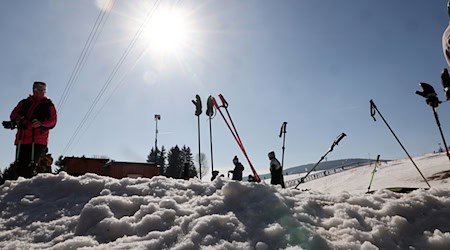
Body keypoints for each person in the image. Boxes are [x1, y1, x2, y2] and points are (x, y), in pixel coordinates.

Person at [3, 81, 57, 179]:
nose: (38, 91)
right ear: (33, 90)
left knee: (31, 168)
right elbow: (13, 114)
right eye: (36, 89)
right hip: (21, 139)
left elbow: (53, 121)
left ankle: (34, 190)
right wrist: (17, 119)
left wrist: (40, 124)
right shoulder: (24, 102)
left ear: (45, 91)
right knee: (19, 168)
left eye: (41, 89)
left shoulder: (48, 105)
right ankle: (20, 190)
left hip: (38, 140)